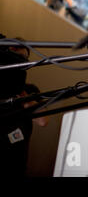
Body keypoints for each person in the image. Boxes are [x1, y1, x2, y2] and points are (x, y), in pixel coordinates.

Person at [0, 41, 49, 177]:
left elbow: (43, 121)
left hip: (17, 163)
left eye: (23, 62)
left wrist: (24, 97)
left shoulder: (31, 90)